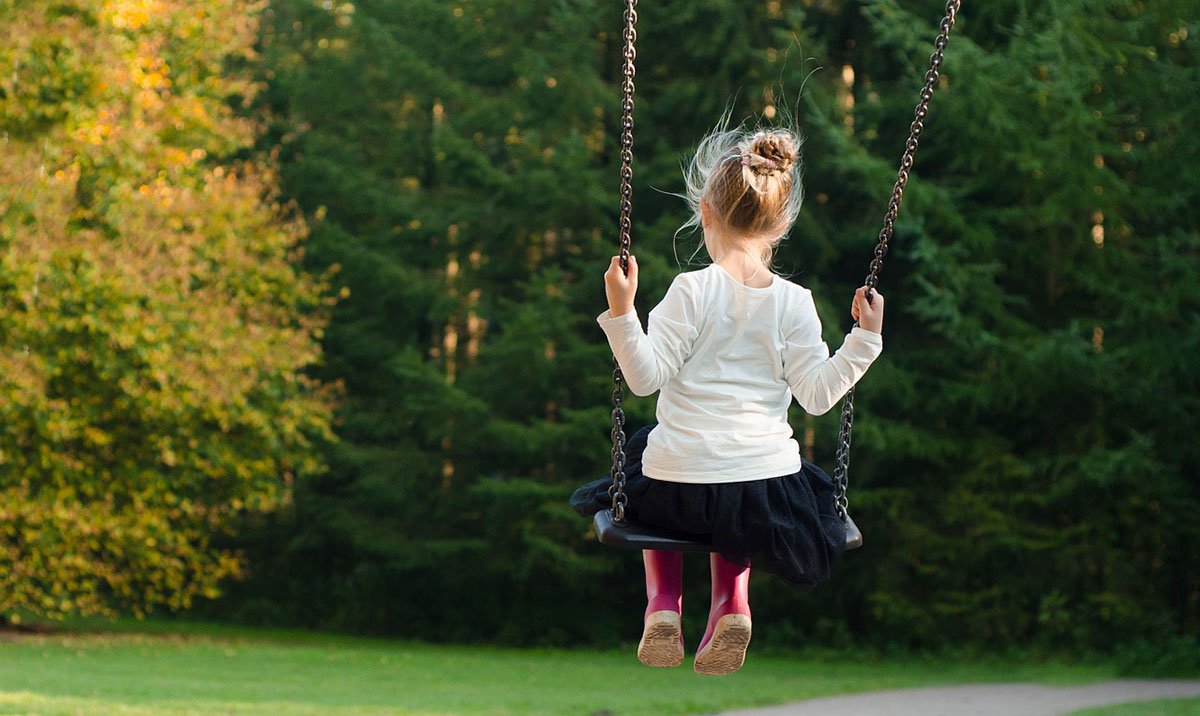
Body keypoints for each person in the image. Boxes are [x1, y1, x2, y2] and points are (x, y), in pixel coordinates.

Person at [570, 122, 885, 675]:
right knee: (739, 495)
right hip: (763, 488)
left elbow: (643, 378)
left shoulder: (690, 291)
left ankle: (663, 605)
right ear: (781, 224)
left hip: (678, 485)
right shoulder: (795, 302)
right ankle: (732, 604)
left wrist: (622, 312)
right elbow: (816, 396)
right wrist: (864, 340)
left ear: (705, 214)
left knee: (651, 461)